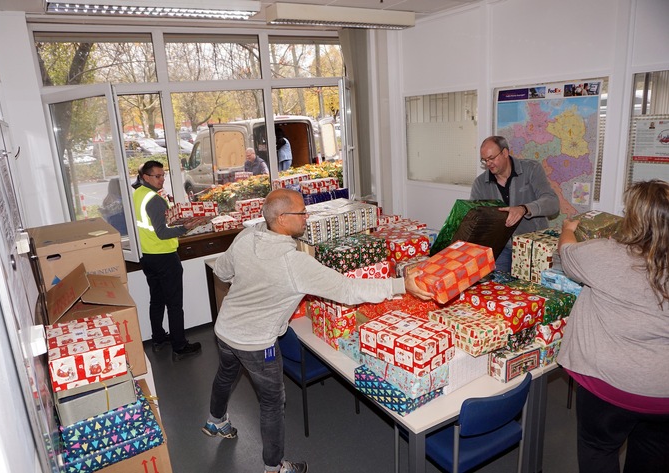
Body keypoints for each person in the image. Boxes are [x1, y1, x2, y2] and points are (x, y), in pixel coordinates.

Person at [201, 188, 434, 473]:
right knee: (272, 404)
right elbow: (349, 290)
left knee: (225, 375)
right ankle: (274, 468)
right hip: (257, 343)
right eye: (301, 212)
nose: (307, 217)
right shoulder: (294, 263)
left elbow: (222, 272)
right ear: (283, 218)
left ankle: (215, 420)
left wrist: (252, 278)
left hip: (225, 330)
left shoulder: (246, 237)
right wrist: (401, 286)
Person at [557, 180, 669, 473]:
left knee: (598, 450)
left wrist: (568, 229)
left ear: (633, 219)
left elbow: (567, 256)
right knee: (652, 457)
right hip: (664, 396)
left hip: (610, 387)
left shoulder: (606, 254)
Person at [132, 160, 205, 361]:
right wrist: (186, 227)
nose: (162, 179)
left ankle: (158, 339)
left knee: (156, 300)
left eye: (163, 175)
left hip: (147, 257)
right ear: (145, 177)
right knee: (174, 304)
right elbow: (163, 232)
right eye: (157, 176)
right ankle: (180, 346)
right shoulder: (154, 199)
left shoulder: (137, 194)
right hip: (164, 256)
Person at [470, 135, 559, 272]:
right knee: (496, 286)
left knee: (529, 289)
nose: (488, 164)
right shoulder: (480, 183)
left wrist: (524, 209)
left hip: (532, 246)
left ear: (505, 153)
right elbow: (474, 219)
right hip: (501, 247)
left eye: (492, 158)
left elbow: (553, 203)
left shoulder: (531, 169)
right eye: (485, 160)